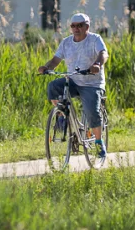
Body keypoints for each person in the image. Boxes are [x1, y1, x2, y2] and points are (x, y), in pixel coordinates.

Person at [38, 12, 109, 159]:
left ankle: (98, 141)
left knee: (91, 111)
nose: (76, 28)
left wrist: (97, 64)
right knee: (53, 86)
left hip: (92, 83)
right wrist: (46, 67)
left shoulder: (95, 39)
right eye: (73, 26)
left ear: (87, 26)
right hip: (74, 80)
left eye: (80, 26)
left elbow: (103, 53)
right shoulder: (66, 42)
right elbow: (56, 60)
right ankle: (62, 116)